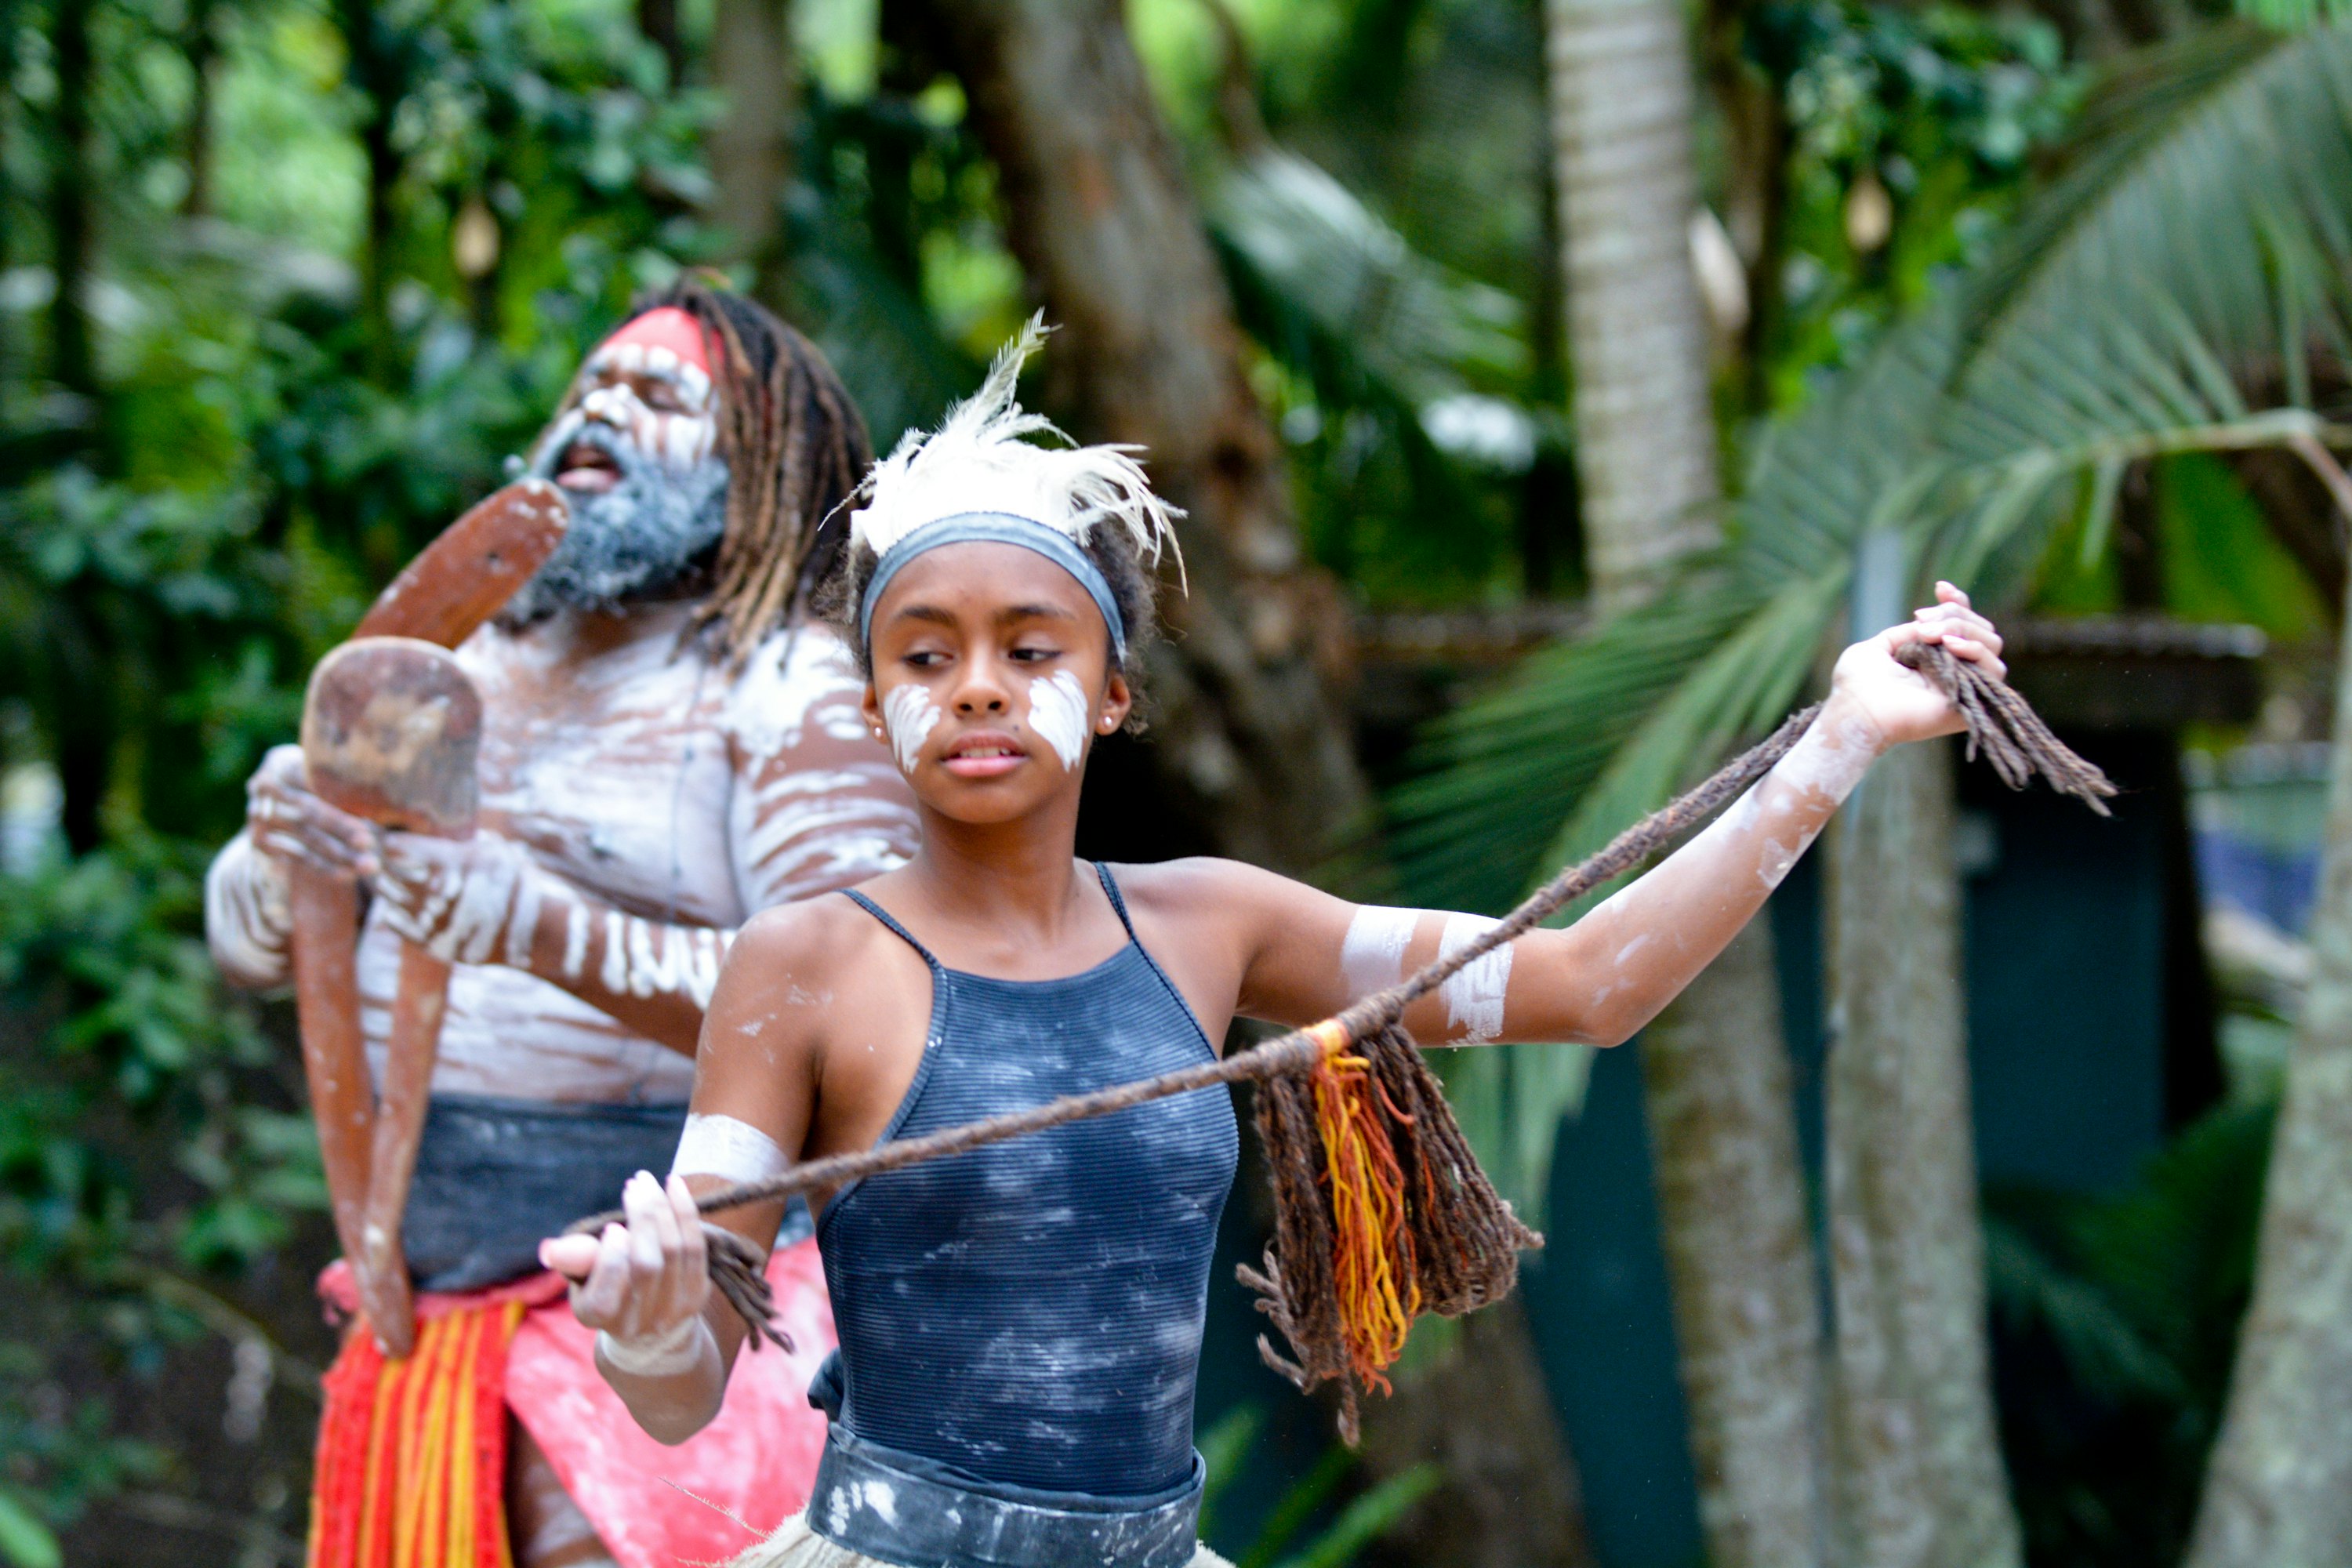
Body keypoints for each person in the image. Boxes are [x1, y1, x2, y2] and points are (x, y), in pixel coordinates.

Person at [539, 323, 2008, 1568]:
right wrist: (651, 1321)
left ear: (1112, 690)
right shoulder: (801, 962)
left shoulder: (1212, 926)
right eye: (924, 654)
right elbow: (675, 1398)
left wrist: (1845, 736)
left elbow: (1588, 984)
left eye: (1029, 649)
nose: (976, 688)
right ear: (872, 704)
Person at [204, 285, 920, 1568]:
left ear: (760, 465)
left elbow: (869, 1012)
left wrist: (541, 929)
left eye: (657, 397)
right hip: (420, 1310)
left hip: (676, 1315)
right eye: (586, 389)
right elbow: (257, 953)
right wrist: (275, 874)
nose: (597, 409)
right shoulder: (459, 664)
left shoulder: (789, 683)